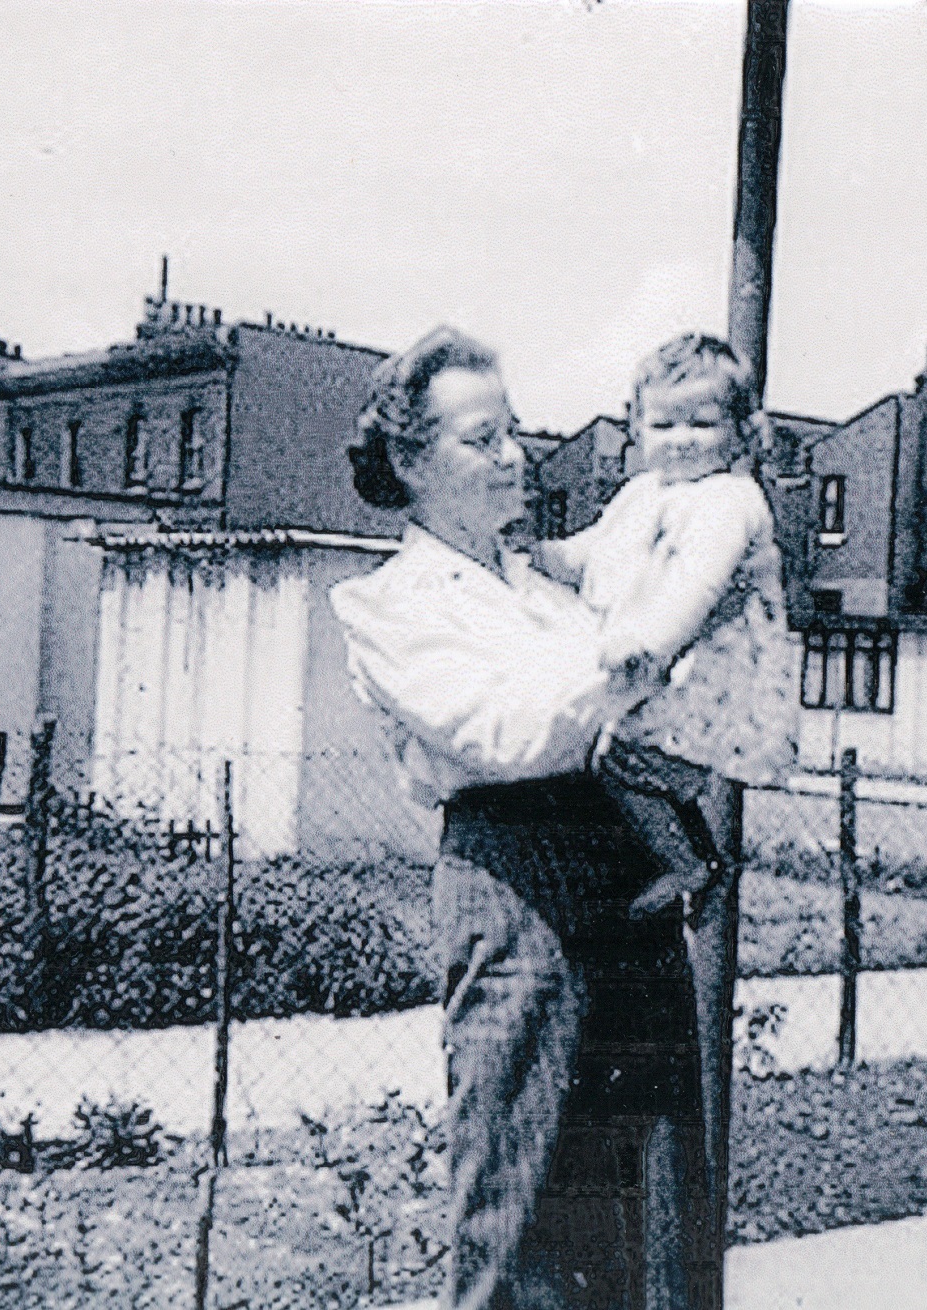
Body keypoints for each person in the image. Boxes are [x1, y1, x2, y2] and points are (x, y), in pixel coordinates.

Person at [329, 326, 719, 1309]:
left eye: (513, 431)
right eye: (480, 438)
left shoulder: (549, 594)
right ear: (411, 463)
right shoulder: (387, 607)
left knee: (652, 1205)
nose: (512, 455)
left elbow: (649, 710)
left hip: (624, 885)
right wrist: (635, 659)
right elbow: (506, 731)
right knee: (524, 1197)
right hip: (517, 890)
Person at [531, 333, 801, 921]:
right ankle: (700, 861)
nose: (680, 442)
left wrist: (651, 646)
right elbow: (592, 550)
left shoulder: (730, 500)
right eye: (663, 425)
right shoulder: (641, 493)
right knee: (632, 764)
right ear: (637, 428)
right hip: (666, 665)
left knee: (622, 764)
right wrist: (540, 557)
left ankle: (685, 864)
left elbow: (699, 585)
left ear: (739, 431)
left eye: (700, 424)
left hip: (708, 669)